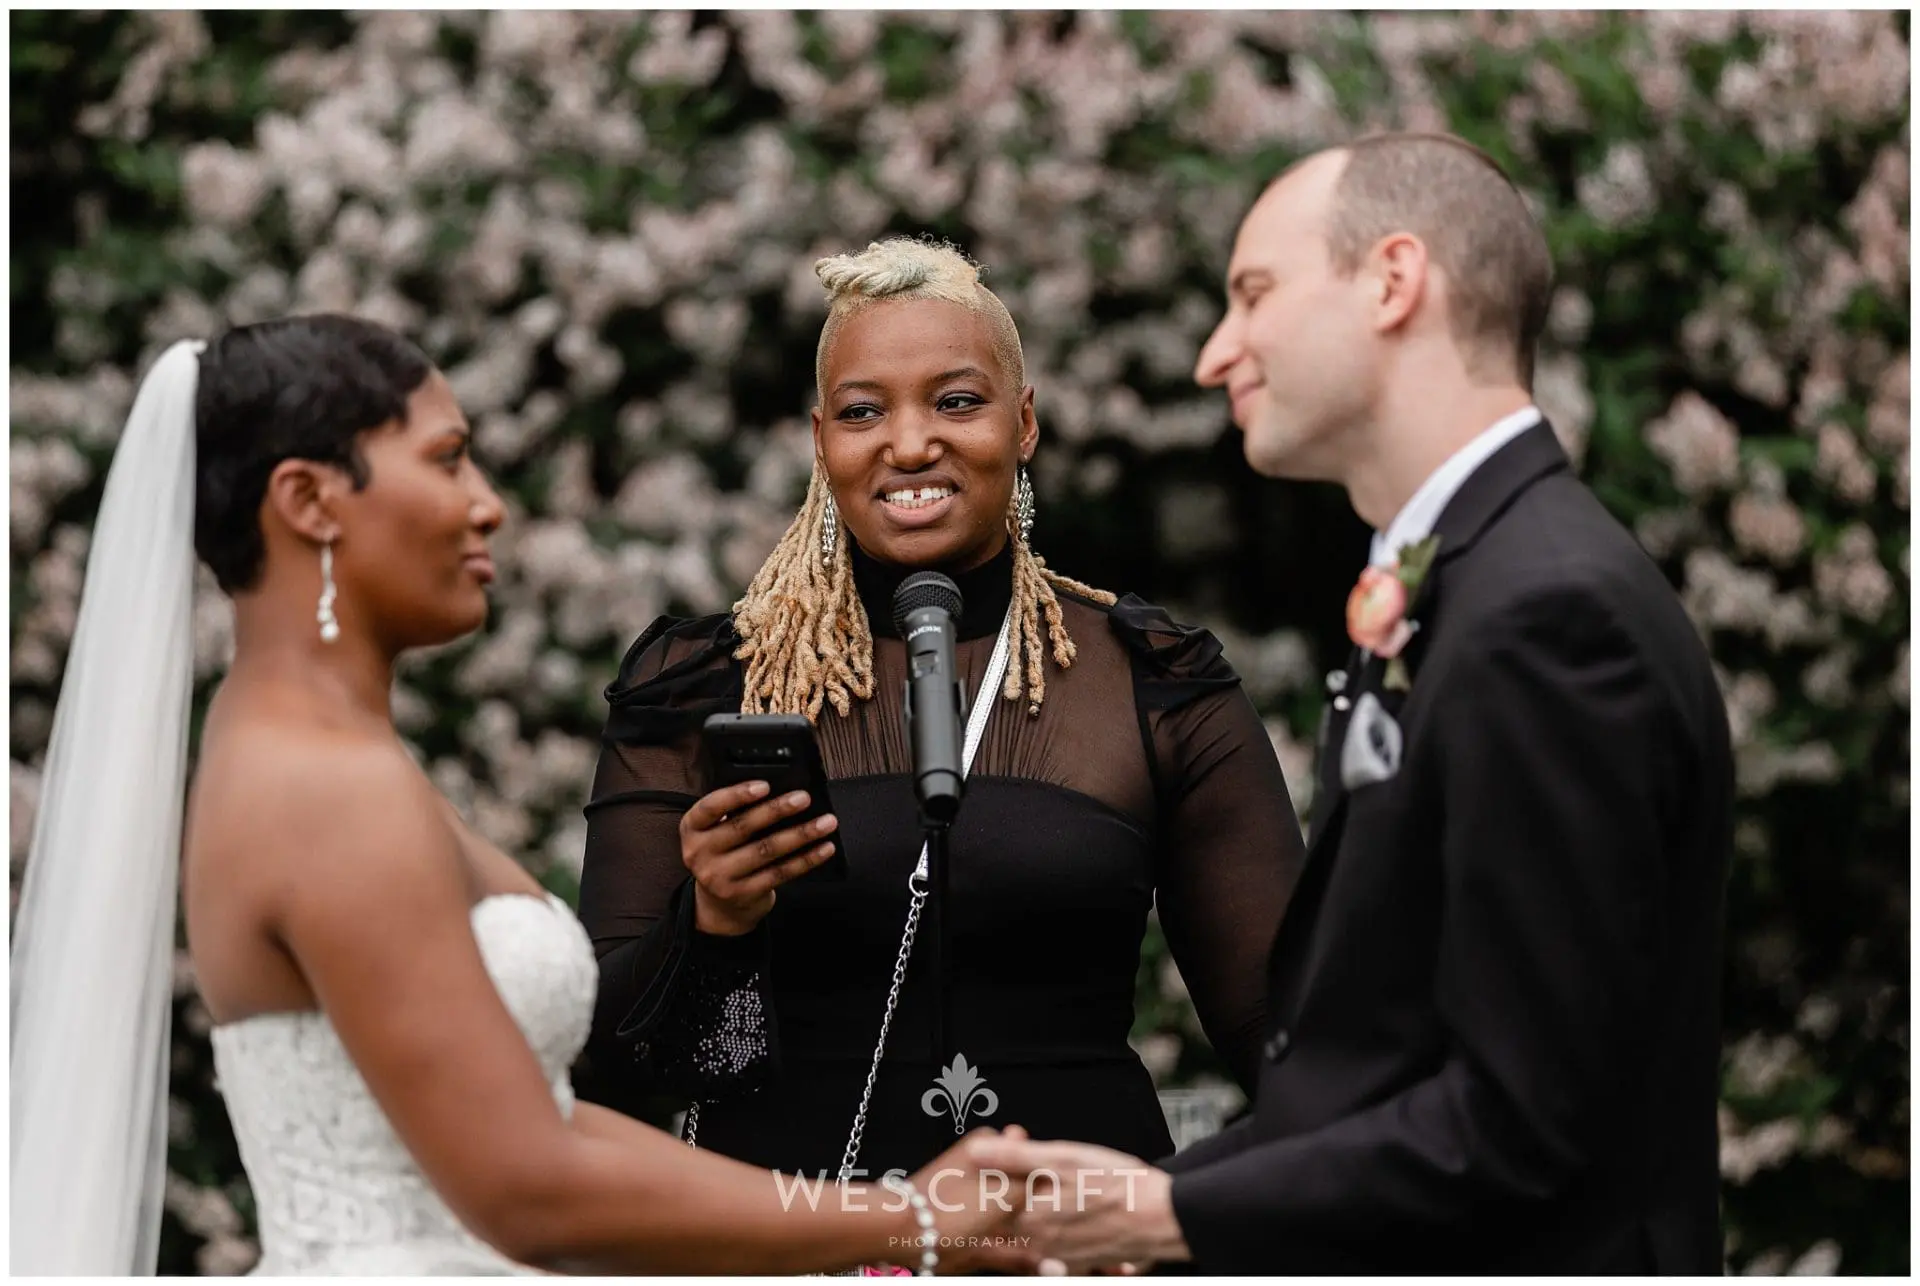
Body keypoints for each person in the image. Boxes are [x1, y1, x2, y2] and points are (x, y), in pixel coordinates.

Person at [8, 314, 1027, 1276]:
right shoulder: (322, 788)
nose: (487, 501)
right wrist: (910, 1219)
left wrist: (881, 1212)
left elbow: (540, 1124)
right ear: (310, 501)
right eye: (448, 459)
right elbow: (525, 1180)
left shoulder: (300, 749)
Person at [976, 132, 1735, 1274]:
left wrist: (1167, 1218)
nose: (1213, 354)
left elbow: (1523, 1124)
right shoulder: (1475, 582)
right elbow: (1384, 1065)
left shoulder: (1549, 614)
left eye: (1252, 294)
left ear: (1394, 280)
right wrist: (1140, 1191)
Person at [574, 239, 1306, 1188]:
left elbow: (1285, 1040)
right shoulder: (702, 685)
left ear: (1026, 423)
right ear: (820, 440)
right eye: (863, 411)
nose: (910, 444)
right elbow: (609, 1071)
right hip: (789, 1245)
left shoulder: (1153, 682)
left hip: (1072, 1245)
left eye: (957, 402)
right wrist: (712, 920)